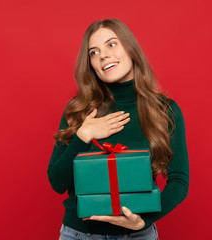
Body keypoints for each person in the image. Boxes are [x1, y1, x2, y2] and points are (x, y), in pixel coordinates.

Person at [47, 18, 189, 240]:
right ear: (91, 64)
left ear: (130, 48)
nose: (103, 55)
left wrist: (144, 220)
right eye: (94, 52)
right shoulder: (79, 109)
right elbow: (57, 182)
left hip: (139, 235)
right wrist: (84, 135)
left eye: (111, 44)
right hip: (78, 234)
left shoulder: (165, 111)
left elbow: (179, 181)